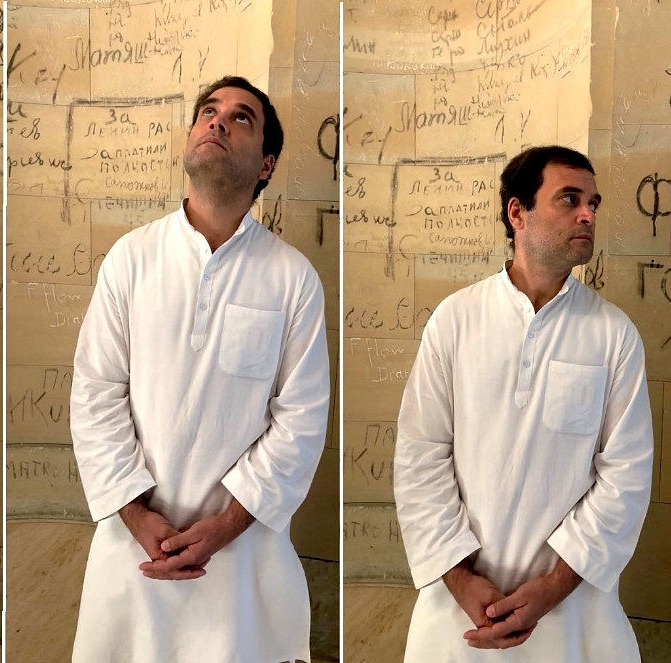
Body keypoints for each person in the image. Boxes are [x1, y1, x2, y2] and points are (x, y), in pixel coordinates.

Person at [68, 75, 331, 661]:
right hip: (130, 552)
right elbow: (95, 392)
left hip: (242, 565)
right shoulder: (132, 258)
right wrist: (136, 513)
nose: (217, 121)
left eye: (241, 118)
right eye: (208, 111)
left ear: (265, 165)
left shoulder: (292, 279)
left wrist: (225, 525)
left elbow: (302, 420)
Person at [393, 145, 653, 661]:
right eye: (570, 199)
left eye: (593, 203)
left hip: (574, 614)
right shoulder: (456, 319)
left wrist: (554, 587)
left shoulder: (613, 335)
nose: (588, 214)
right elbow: (420, 455)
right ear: (518, 213)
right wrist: (463, 580)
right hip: (458, 612)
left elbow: (626, 475)